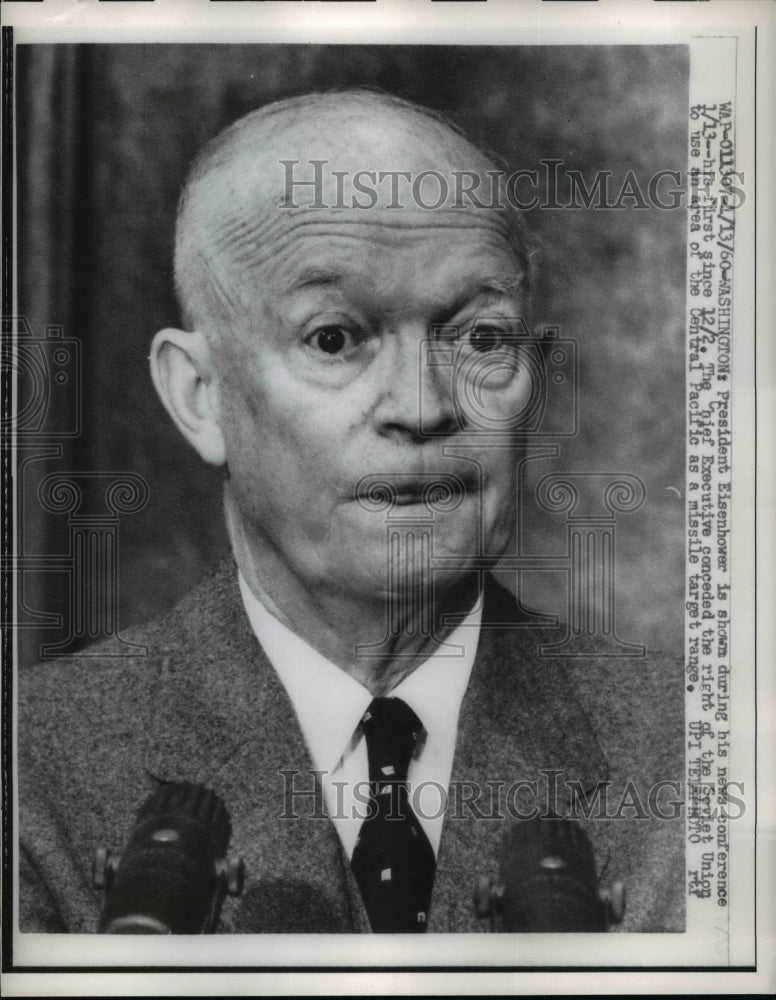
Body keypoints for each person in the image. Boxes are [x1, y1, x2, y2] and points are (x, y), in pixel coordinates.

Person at [18, 89, 684, 934]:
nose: (422, 405)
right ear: (200, 395)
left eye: (481, 339)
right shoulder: (31, 775)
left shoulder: (703, 763)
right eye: (335, 338)